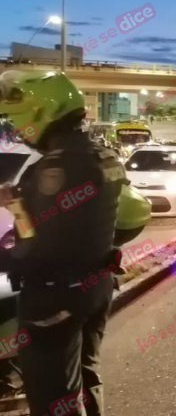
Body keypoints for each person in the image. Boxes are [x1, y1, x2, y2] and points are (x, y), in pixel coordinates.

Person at [0, 71, 125, 416]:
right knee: (86, 377)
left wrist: (7, 258)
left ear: (42, 112)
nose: (16, 128)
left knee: (54, 396)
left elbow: (36, 244)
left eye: (16, 119)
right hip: (96, 284)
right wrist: (17, 204)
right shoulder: (103, 156)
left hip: (55, 295)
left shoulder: (53, 168)